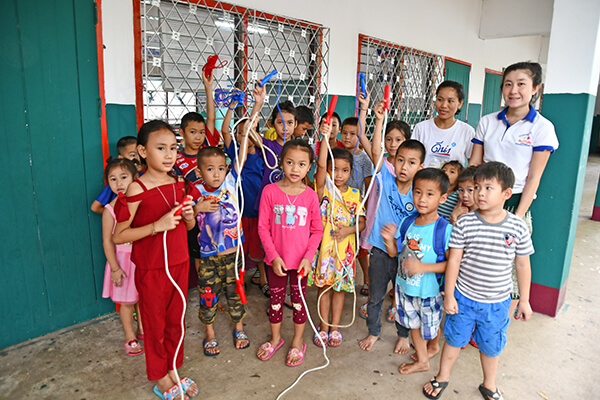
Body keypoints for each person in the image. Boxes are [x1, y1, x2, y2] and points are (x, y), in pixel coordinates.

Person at [422, 162, 534, 400]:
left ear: (506, 193)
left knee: (491, 346)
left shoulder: (517, 227)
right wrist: (450, 295)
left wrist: (524, 300)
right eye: (476, 187)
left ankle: (489, 385)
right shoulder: (465, 222)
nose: (480, 193)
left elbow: (523, 265)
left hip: (497, 302)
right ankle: (442, 377)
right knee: (453, 340)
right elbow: (454, 262)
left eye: (488, 188)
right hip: (463, 298)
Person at [113, 120, 200, 400]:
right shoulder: (136, 189)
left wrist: (189, 218)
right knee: (154, 324)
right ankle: (160, 377)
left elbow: (188, 227)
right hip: (152, 269)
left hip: (180, 263)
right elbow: (119, 235)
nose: (169, 155)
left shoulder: (179, 183)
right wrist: (155, 227)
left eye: (173, 148)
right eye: (160, 148)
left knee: (177, 321)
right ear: (142, 151)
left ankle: (174, 367)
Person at [469, 61, 559, 315]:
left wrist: (517, 218)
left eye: (521, 84)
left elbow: (534, 178)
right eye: (508, 84)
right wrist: (472, 202)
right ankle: (472, 320)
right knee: (475, 262)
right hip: (481, 201)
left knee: (506, 268)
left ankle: (497, 324)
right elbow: (475, 165)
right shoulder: (488, 122)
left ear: (535, 89)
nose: (513, 90)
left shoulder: (542, 128)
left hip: (514, 203)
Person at [196, 84, 265, 357]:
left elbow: (245, 136)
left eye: (220, 168)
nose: (216, 174)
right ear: (199, 170)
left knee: (235, 292)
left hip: (233, 253)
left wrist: (256, 106)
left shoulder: (231, 181)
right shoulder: (195, 192)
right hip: (209, 256)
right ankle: (210, 332)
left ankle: (238, 327)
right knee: (209, 294)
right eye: (209, 169)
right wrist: (197, 207)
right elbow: (189, 223)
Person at [358, 104, 425, 353]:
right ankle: (374, 332)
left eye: (411, 162)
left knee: (405, 298)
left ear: (420, 166)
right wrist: (379, 120)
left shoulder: (421, 192)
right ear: (392, 161)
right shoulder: (385, 178)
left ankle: (403, 335)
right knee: (375, 297)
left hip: (408, 254)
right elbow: (375, 150)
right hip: (379, 250)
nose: (404, 167)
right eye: (400, 161)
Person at [257, 139, 323, 367]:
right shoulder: (270, 192)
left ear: (309, 167)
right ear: (281, 163)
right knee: (275, 301)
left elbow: (317, 230)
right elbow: (263, 227)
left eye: (302, 164)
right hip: (275, 262)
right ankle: (275, 338)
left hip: (301, 264)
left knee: (298, 303)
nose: (295, 169)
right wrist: (273, 256)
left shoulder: (311, 196)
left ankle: (297, 341)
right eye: (290, 162)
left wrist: (308, 258)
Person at [381, 168, 451, 375]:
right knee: (414, 325)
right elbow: (396, 253)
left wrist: (423, 267)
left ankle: (434, 346)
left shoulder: (444, 229)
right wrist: (388, 241)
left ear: (443, 197)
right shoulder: (407, 223)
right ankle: (422, 361)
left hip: (429, 292)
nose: (422, 199)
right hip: (404, 288)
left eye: (430, 194)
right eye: (418, 192)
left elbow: (453, 265)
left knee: (430, 329)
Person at [308, 123, 365, 348]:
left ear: (351, 172)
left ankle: (335, 328)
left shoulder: (355, 194)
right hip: (326, 251)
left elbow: (361, 222)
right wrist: (323, 139)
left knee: (340, 290)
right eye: (334, 169)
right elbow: (321, 165)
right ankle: (323, 327)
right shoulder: (323, 190)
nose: (338, 175)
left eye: (344, 170)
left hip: (345, 253)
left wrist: (347, 231)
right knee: (324, 289)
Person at [358, 101, 411, 297]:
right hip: (376, 216)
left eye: (398, 139)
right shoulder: (379, 161)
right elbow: (362, 135)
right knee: (376, 256)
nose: (393, 144)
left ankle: (397, 299)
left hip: (397, 221)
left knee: (397, 259)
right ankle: (374, 289)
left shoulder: (408, 168)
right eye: (389, 139)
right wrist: (373, 117)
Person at [222, 92, 269, 297]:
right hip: (238, 215)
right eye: (241, 133)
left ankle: (263, 279)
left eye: (248, 132)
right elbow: (224, 130)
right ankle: (237, 281)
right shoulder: (234, 152)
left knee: (258, 251)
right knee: (238, 250)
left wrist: (256, 110)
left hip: (257, 212)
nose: (244, 136)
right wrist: (231, 107)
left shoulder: (263, 157)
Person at [101, 157, 144, 357]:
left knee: (142, 299)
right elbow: (108, 241)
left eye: (124, 177)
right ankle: (130, 336)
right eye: (113, 179)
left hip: (142, 259)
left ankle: (143, 330)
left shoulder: (141, 204)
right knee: (127, 303)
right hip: (123, 262)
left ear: (135, 178)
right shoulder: (109, 210)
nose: (119, 183)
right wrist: (115, 268)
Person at [413, 81, 475, 168]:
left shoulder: (467, 131)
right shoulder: (421, 128)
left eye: (450, 101)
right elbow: (412, 158)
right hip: (424, 180)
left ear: (460, 104)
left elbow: (472, 164)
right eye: (440, 100)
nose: (444, 105)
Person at [91, 136, 142, 215]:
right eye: (132, 155)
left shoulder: (145, 177)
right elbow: (95, 207)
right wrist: (114, 215)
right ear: (121, 158)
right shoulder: (117, 182)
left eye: (140, 154)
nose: (138, 159)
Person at [340, 116, 373, 197]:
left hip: (356, 201)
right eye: (344, 133)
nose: (347, 137)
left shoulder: (365, 159)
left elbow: (368, 186)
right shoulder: (338, 155)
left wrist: (365, 206)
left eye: (352, 134)